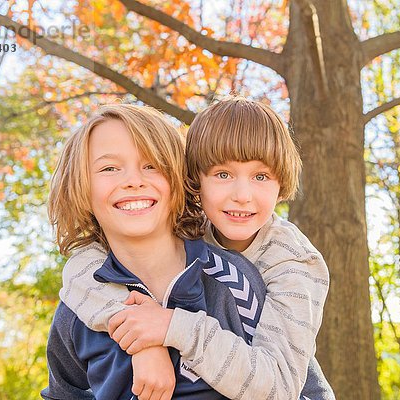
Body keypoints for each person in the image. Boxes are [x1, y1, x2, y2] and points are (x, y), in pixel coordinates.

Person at [61, 97, 335, 399]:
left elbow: (279, 386)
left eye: (260, 176)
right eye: (223, 175)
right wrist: (140, 336)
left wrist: (170, 326)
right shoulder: (188, 222)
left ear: (281, 182)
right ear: (193, 180)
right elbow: (81, 268)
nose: (242, 196)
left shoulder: (293, 262)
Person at [41, 104, 268, 400]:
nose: (134, 181)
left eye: (151, 166)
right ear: (81, 189)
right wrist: (143, 343)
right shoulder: (76, 311)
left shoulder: (234, 282)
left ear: (178, 180)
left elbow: (290, 382)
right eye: (109, 168)